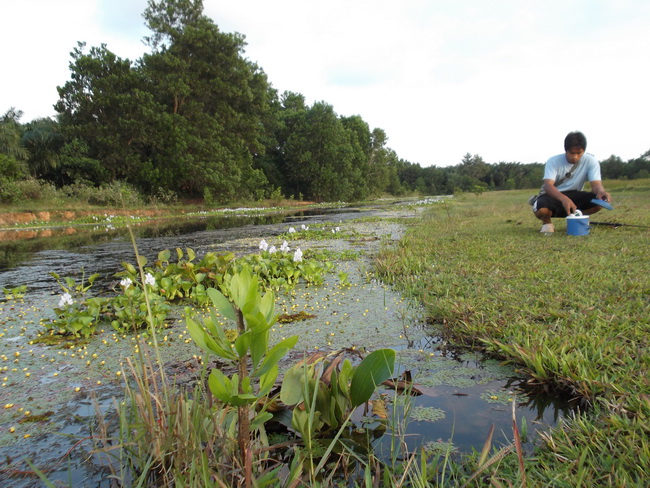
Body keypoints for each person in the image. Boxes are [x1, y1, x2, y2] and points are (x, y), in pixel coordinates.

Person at [532, 131, 611, 233]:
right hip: (554, 195)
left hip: (575, 194)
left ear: (584, 151)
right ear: (566, 150)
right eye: (572, 153)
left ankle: (577, 219)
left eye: (579, 153)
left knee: (599, 203)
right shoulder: (553, 161)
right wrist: (563, 199)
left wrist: (601, 192)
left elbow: (596, 184)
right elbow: (548, 185)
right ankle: (547, 223)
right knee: (541, 210)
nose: (575, 157)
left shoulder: (591, 161)